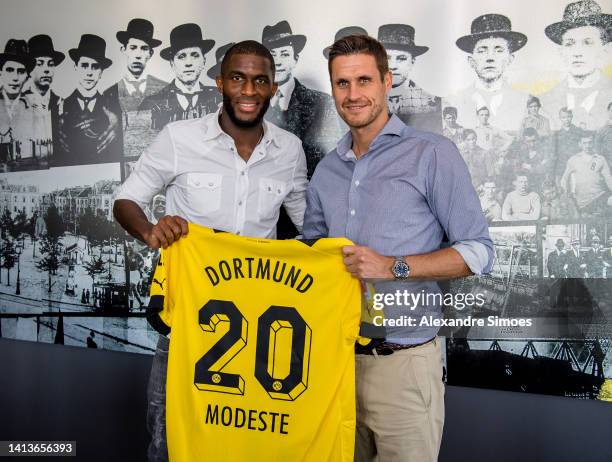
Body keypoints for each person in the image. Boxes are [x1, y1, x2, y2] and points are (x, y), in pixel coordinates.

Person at [113, 40, 307, 462]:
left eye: (260, 81)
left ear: (274, 87)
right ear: (219, 82)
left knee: (246, 443)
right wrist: (150, 231)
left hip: (260, 328)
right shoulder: (179, 138)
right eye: (238, 78)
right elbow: (127, 199)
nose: (249, 91)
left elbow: (311, 227)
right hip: (186, 320)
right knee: (169, 437)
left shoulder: (289, 150)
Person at [303, 34, 492, 462]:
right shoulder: (326, 171)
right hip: (333, 367)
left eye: (364, 80)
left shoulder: (432, 154)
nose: (353, 95)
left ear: (388, 81)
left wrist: (393, 266)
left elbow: (479, 251)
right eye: (342, 83)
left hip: (403, 365)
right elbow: (312, 251)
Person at [262, 20, 338, 178]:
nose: (277, 61)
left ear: (295, 59)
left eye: (284, 54)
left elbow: (331, 160)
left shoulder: (322, 103)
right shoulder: (249, 104)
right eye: (272, 55)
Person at [444, 13, 530, 132]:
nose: (490, 58)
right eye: (482, 51)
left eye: (498, 50)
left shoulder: (525, 101)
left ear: (510, 59)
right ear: (471, 61)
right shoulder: (453, 102)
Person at [540, 0, 612, 130]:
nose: (577, 52)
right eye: (570, 43)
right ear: (561, 52)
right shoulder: (543, 103)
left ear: (604, 50)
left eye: (587, 42)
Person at [53, 34, 122, 166]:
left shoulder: (113, 108)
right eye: (84, 65)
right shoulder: (59, 107)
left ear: (101, 72)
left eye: (95, 67)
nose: (89, 72)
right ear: (76, 68)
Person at [141, 23, 221, 131]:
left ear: (204, 61)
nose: (188, 63)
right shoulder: (156, 101)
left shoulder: (219, 98)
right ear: (172, 63)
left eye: (195, 55)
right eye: (181, 56)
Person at [105, 18, 167, 135]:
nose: (138, 55)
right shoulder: (109, 94)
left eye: (144, 49)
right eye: (133, 48)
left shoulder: (165, 89)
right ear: (124, 50)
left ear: (150, 54)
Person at [377, 23, 441, 132]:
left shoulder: (432, 104)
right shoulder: (362, 100)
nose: (393, 66)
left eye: (401, 59)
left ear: (412, 62)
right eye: (386, 58)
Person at [24, 34, 64, 160]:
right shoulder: (20, 103)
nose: (46, 70)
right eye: (40, 64)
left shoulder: (62, 103)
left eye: (50, 64)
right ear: (29, 69)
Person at [560, 132, 612, 217]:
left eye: (590, 142)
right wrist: (565, 195)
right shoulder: (573, 160)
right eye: (584, 143)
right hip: (583, 202)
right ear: (580, 144)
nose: (587, 146)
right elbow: (564, 179)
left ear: (593, 143)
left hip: (600, 196)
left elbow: (609, 180)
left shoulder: (600, 159)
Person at [0, 39, 34, 167]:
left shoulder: (33, 107)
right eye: (9, 70)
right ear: (0, 72)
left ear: (27, 76)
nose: (15, 77)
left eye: (20, 71)